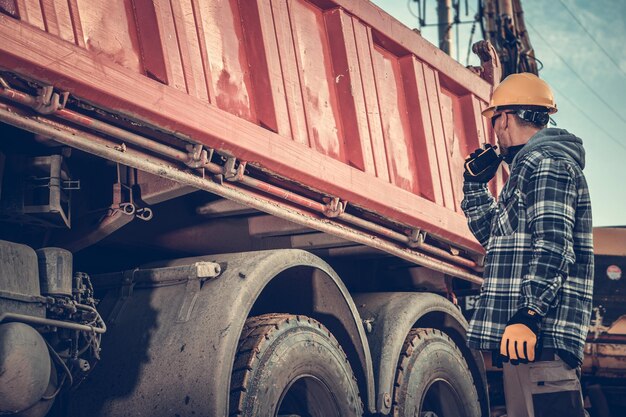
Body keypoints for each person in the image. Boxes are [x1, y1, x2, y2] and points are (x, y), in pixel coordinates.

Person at [461, 73, 594, 417]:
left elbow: (554, 243)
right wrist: (475, 185)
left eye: (494, 119)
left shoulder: (546, 163)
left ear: (504, 117)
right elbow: (496, 238)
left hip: (540, 335)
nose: (495, 129)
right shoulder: (525, 169)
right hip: (525, 338)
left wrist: (530, 312)